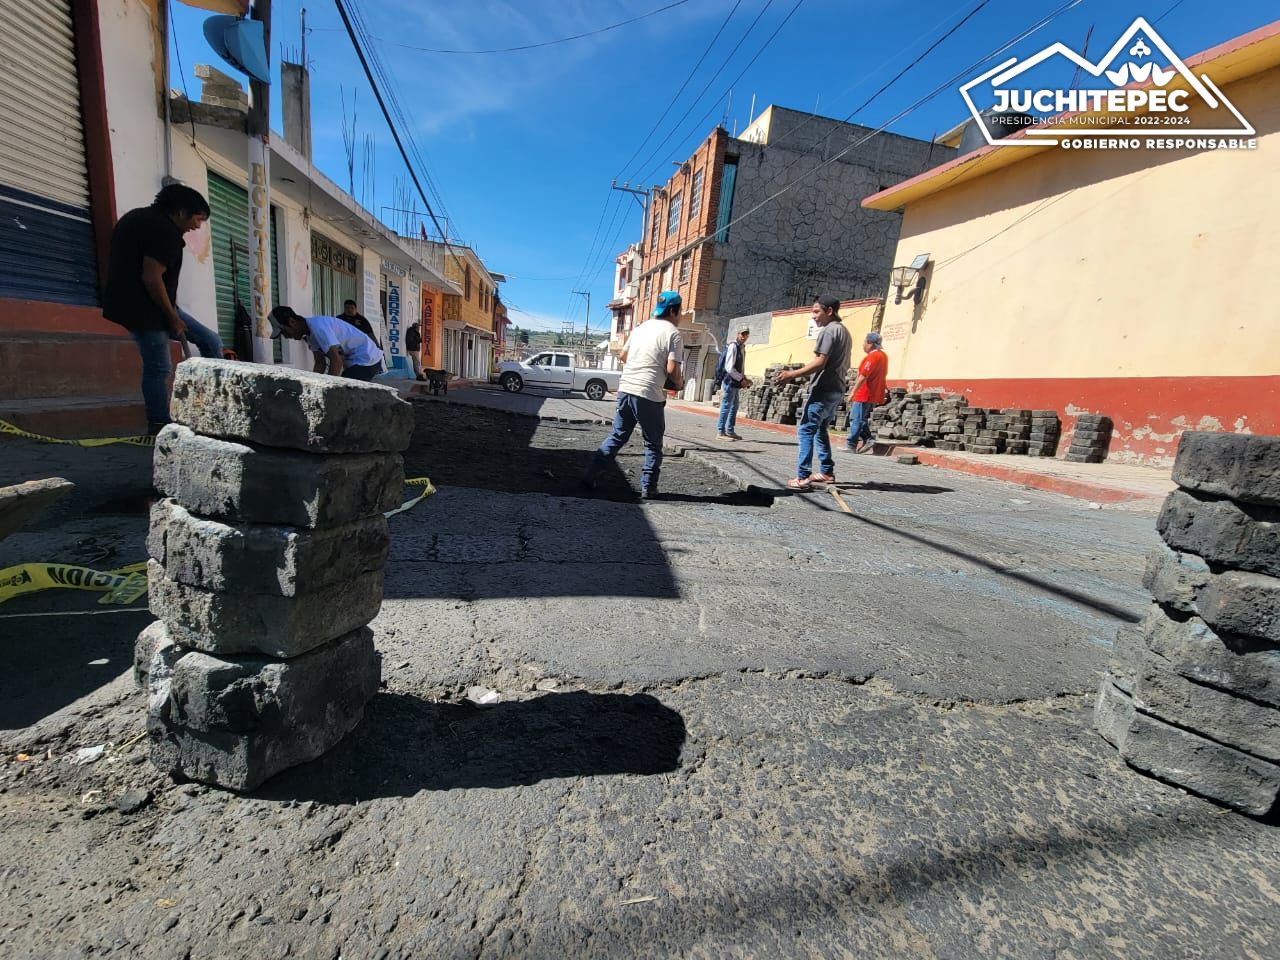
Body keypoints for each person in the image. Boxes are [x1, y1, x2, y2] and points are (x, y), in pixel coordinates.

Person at [103, 183, 224, 434]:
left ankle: (217, 404)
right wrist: (172, 317)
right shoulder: (164, 231)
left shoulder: (136, 218)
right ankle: (158, 426)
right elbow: (151, 277)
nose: (197, 226)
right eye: (197, 218)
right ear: (180, 212)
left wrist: (171, 312)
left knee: (210, 341)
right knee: (159, 366)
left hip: (152, 303)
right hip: (145, 308)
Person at [582, 289, 685, 499]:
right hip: (648, 394)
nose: (680, 315)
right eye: (680, 311)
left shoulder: (640, 328)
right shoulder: (673, 333)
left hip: (626, 388)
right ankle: (648, 487)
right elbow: (673, 369)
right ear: (674, 310)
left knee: (618, 435)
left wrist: (639, 367)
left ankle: (591, 473)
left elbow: (622, 355)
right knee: (653, 443)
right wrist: (679, 383)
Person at [776, 295, 852, 490]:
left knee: (806, 429)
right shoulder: (844, 332)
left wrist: (792, 374)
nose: (814, 316)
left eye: (817, 312)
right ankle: (827, 471)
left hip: (824, 388)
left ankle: (803, 476)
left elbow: (820, 362)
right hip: (837, 388)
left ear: (829, 311)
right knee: (820, 429)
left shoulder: (828, 331)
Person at [269, 306, 385, 381]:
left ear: (292, 322)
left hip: (367, 359)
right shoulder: (310, 335)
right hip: (358, 361)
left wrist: (327, 389)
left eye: (284, 331)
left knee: (346, 393)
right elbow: (320, 363)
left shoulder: (318, 327)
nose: (286, 336)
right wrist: (313, 384)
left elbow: (336, 360)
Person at [845, 331, 888, 454]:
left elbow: (863, 376)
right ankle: (868, 439)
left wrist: (853, 392)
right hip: (873, 392)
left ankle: (851, 444)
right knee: (861, 418)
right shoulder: (883, 356)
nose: (863, 344)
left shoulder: (872, 357)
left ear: (870, 343)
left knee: (856, 418)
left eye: (864, 342)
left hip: (864, 392)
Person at [716, 328, 753, 440]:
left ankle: (730, 430)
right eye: (742, 334)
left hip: (736, 382)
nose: (744, 336)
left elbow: (740, 367)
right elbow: (729, 368)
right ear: (738, 334)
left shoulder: (742, 348)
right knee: (727, 406)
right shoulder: (733, 346)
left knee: (734, 406)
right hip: (730, 381)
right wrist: (741, 379)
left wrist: (744, 378)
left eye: (746, 334)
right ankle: (720, 432)